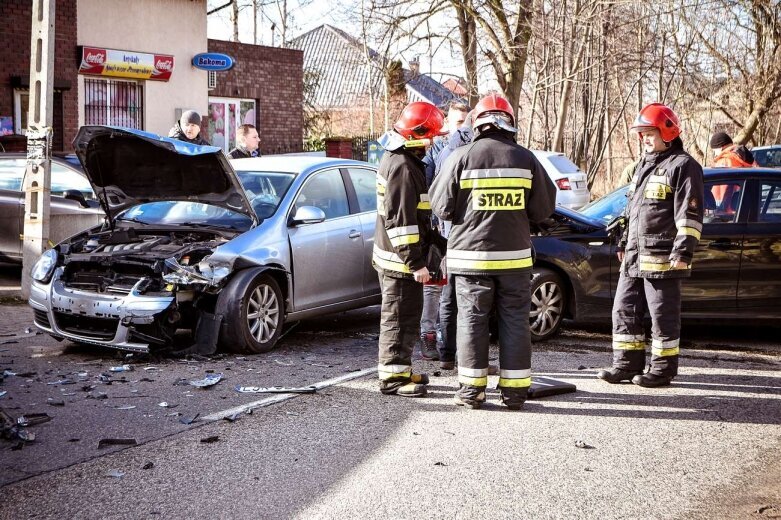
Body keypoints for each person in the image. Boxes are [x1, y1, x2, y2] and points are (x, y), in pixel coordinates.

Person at [430, 93, 556, 410]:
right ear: (510, 123)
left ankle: (472, 392)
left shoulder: (461, 156)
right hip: (514, 260)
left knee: (472, 321)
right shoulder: (526, 160)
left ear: (478, 123)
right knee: (515, 321)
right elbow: (543, 210)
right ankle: (514, 393)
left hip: (470, 260)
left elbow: (441, 208)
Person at [598, 103, 704, 388]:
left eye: (649, 133)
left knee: (662, 316)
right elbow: (632, 211)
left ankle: (662, 370)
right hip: (633, 256)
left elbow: (690, 216)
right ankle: (625, 365)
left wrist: (683, 252)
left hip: (663, 258)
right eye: (642, 134)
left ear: (668, 132)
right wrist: (622, 240)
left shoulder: (683, 166)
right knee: (624, 310)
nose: (644, 138)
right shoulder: (644, 166)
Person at [373, 101, 445, 398]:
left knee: (406, 317)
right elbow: (401, 221)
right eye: (431, 136)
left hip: (398, 258)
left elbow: (418, 215)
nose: (433, 142)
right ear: (417, 134)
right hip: (400, 261)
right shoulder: (403, 167)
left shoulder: (403, 160)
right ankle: (392, 377)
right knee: (397, 318)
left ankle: (401, 368)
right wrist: (416, 263)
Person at [418, 101, 470, 362]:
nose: (463, 129)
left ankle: (453, 341)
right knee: (434, 286)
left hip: (464, 230)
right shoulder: (436, 151)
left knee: (457, 289)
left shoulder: (472, 150)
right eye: (458, 123)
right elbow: (427, 192)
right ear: (448, 123)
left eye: (466, 122)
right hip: (440, 230)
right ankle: (428, 335)